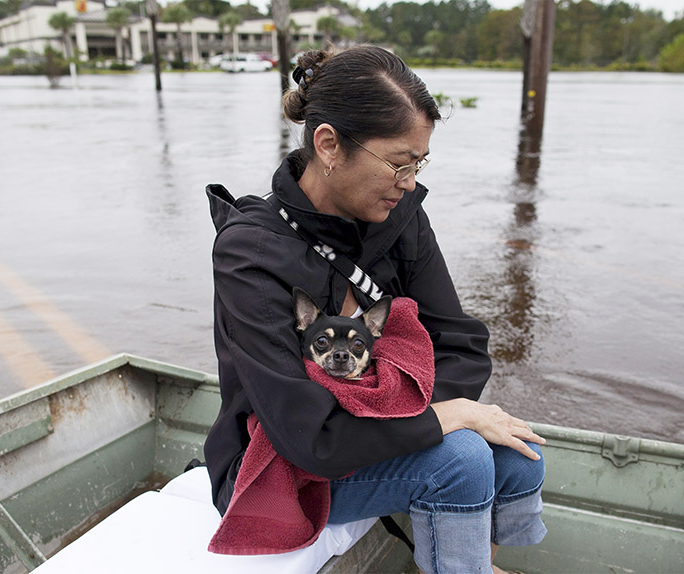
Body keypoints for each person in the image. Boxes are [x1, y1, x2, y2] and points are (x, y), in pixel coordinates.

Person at [204, 45, 547, 573]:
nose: (410, 182)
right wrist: (441, 419)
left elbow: (462, 346)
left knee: (519, 455)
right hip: (279, 465)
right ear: (329, 145)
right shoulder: (249, 253)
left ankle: (468, 564)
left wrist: (411, 415)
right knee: (464, 458)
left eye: (420, 163)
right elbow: (308, 438)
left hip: (370, 433)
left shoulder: (400, 219)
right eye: (399, 163)